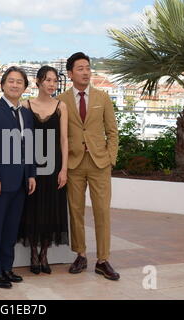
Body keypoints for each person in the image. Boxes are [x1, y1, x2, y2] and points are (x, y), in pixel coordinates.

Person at [57, 52, 120, 281]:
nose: (86, 72)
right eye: (80, 68)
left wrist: (110, 158)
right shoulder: (61, 100)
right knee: (76, 211)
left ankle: (103, 260)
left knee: (102, 211)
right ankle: (80, 255)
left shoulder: (102, 97)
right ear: (70, 73)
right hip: (73, 163)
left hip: (99, 163)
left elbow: (112, 131)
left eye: (88, 67)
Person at [0, 66, 36, 289]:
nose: (15, 85)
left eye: (19, 82)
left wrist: (31, 174)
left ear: (24, 87)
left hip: (21, 182)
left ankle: (6, 268)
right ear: (2, 84)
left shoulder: (26, 114)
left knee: (11, 228)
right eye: (11, 81)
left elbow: (29, 147)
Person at [17, 66, 69, 275]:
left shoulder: (61, 106)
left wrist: (64, 169)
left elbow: (64, 140)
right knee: (31, 208)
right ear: (38, 82)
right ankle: (33, 255)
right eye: (47, 80)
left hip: (54, 166)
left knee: (51, 209)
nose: (51, 84)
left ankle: (44, 254)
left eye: (55, 81)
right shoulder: (25, 105)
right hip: (32, 165)